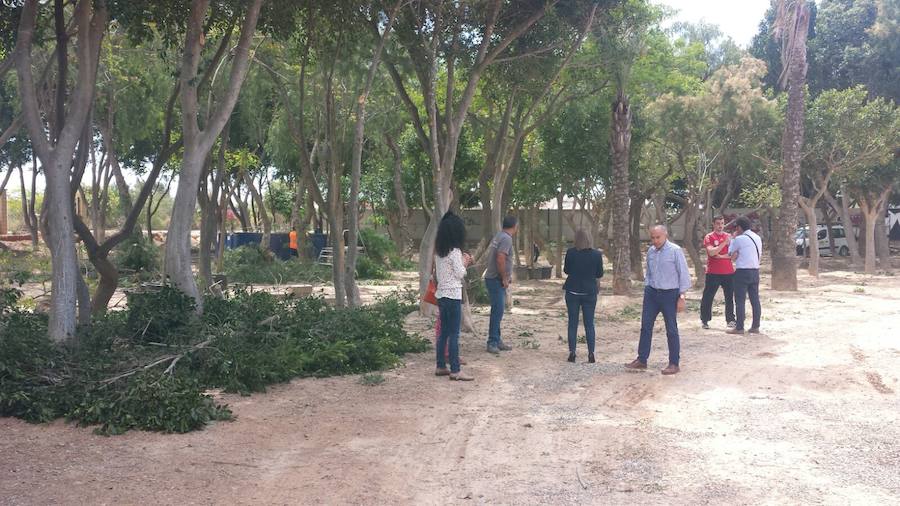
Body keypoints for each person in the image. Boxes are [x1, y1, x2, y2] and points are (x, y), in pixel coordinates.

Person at [625, 225, 692, 375]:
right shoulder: (651, 251)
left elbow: (684, 274)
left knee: (671, 329)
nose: (655, 241)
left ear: (665, 235)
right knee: (646, 326)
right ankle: (642, 359)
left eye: (658, 237)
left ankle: (674, 363)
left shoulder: (675, 251)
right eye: (653, 238)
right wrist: (647, 287)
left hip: (670, 294)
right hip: (652, 294)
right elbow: (649, 272)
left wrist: (682, 297)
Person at [434, 211, 475, 381]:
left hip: (441, 295)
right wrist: (465, 262)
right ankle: (456, 370)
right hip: (453, 296)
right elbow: (460, 273)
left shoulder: (439, 253)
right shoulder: (455, 252)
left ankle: (440, 366)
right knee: (454, 334)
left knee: (443, 332)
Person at [562, 229, 604, 363]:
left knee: (572, 323)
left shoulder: (571, 252)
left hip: (572, 291)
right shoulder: (597, 254)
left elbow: (566, 270)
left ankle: (572, 353)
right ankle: (591, 354)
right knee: (589, 324)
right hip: (589, 292)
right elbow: (599, 273)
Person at [484, 216, 518, 354]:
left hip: (492, 278)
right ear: (515, 226)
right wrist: (504, 278)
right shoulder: (506, 238)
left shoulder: (499, 235)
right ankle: (492, 342)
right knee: (497, 311)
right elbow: (500, 258)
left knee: (498, 310)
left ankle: (497, 340)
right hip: (496, 279)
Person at [727, 216, 762, 335]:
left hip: (742, 271)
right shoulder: (757, 237)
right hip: (755, 270)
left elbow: (730, 252)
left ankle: (739, 327)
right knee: (755, 299)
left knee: (740, 300)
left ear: (739, 227)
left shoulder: (739, 239)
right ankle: (755, 326)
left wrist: (733, 238)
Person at [700, 216, 736, 329]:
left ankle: (730, 319)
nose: (720, 226)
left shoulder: (729, 237)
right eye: (718, 223)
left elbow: (734, 255)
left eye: (722, 223)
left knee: (729, 297)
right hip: (713, 272)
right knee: (708, 296)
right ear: (713, 224)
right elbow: (711, 252)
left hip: (728, 272)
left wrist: (720, 255)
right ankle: (705, 320)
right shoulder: (709, 237)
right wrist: (724, 243)